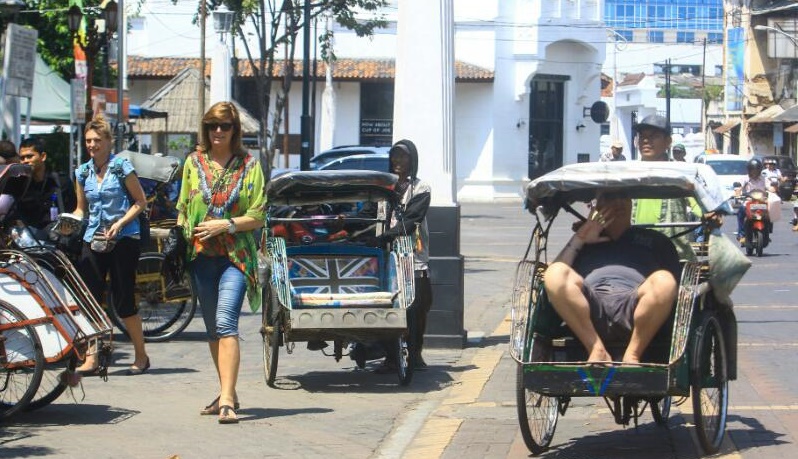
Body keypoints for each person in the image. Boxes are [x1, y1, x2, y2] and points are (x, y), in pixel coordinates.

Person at [176, 101, 267, 424]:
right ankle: (226, 390)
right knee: (213, 329)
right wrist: (183, 233)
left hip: (236, 257)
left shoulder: (248, 165)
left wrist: (225, 225)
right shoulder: (193, 162)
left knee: (227, 323)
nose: (218, 131)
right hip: (201, 257)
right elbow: (184, 205)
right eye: (213, 125)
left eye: (225, 126)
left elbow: (258, 214)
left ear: (234, 131)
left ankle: (227, 400)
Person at [543, 190, 681, 363]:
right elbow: (553, 277)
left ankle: (632, 355)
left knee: (665, 281)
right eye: (609, 197)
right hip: (588, 308)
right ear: (596, 206)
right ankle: (596, 349)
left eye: (623, 197)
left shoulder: (655, 240)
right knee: (555, 272)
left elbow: (677, 289)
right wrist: (580, 238)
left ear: (631, 204)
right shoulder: (583, 242)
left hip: (639, 305)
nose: (618, 203)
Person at [72, 115, 151, 376]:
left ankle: (141, 355)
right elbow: (81, 209)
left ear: (108, 141)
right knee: (90, 300)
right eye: (88, 141)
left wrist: (120, 223)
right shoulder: (82, 172)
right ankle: (92, 356)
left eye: (97, 140)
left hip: (124, 238)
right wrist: (69, 222)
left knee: (123, 299)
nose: (92, 145)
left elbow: (140, 202)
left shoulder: (121, 167)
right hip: (93, 239)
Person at [374, 139, 433, 373]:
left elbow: (412, 219)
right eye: (395, 156)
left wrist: (388, 235)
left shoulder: (421, 188)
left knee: (417, 306)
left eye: (403, 157)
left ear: (413, 160)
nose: (398, 161)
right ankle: (390, 357)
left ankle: (415, 353)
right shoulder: (381, 186)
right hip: (386, 255)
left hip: (413, 256)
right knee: (386, 306)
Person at [632, 114, 700, 259]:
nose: (646, 140)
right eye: (642, 136)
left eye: (653, 136)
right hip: (634, 249)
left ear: (668, 141)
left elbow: (701, 204)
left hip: (671, 252)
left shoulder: (679, 175)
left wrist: (711, 214)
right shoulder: (628, 175)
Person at [16, 137, 77, 233]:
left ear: (43, 156)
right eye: (22, 158)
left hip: (58, 240)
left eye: (30, 156)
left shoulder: (61, 181)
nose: (26, 161)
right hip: (30, 241)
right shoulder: (19, 185)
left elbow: (73, 209)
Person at [736, 158, 768, 244]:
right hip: (748, 201)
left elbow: (770, 187)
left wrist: (773, 190)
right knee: (740, 213)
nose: (755, 172)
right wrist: (738, 192)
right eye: (753, 169)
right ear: (749, 170)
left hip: (762, 202)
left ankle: (767, 231)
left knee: (770, 213)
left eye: (757, 170)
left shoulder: (764, 179)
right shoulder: (745, 179)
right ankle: (741, 235)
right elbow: (739, 188)